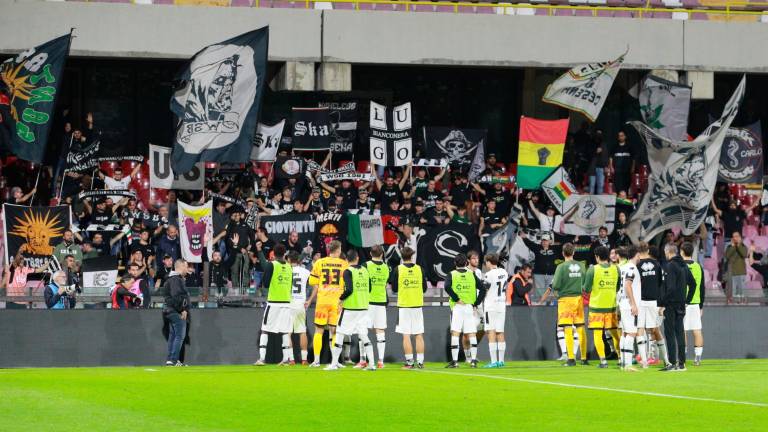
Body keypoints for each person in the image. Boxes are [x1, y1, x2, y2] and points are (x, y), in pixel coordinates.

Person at [326, 250, 376, 371]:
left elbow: (349, 290)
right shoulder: (365, 270)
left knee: (339, 334)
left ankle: (333, 364)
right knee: (364, 336)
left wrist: (340, 299)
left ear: (347, 260)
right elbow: (369, 288)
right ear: (357, 258)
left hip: (350, 309)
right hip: (363, 308)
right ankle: (372, 364)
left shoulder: (348, 271)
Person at [306, 240, 348, 367]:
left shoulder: (320, 262)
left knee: (319, 330)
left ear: (330, 250)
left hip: (322, 301)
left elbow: (312, 282)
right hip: (336, 301)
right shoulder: (344, 264)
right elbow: (348, 284)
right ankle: (335, 361)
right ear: (339, 250)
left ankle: (316, 360)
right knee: (334, 331)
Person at [546, 243, 587, 367]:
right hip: (578, 299)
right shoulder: (581, 266)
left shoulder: (561, 267)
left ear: (563, 253)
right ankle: (584, 358)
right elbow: (585, 283)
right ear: (574, 252)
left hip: (565, 300)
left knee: (567, 328)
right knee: (580, 327)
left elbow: (556, 285)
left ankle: (571, 359)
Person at [254, 243, 294, 366]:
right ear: (284, 254)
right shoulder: (289, 267)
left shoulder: (272, 265)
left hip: (274, 303)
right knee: (285, 331)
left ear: (273, 253)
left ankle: (262, 359)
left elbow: (265, 284)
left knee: (265, 330)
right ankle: (286, 359)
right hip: (287, 303)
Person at [444, 253, 487, 368]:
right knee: (472, 333)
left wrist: (456, 298)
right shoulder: (471, 274)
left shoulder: (452, 274)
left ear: (455, 263)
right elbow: (483, 289)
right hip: (469, 307)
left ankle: (455, 361)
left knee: (456, 333)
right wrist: (476, 303)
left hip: (457, 307)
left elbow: (447, 287)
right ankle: (473, 361)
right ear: (466, 263)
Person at [659, 244, 696, 372]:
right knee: (680, 332)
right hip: (680, 304)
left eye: (665, 251)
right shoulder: (684, 266)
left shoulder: (670, 266)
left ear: (668, 252)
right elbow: (693, 284)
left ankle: (672, 363)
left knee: (669, 334)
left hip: (671, 304)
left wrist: (663, 303)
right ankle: (682, 363)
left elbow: (670, 288)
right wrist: (687, 300)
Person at [389, 246, 427, 369]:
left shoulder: (398, 269)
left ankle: (410, 362)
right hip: (417, 305)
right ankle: (420, 362)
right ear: (412, 256)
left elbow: (394, 289)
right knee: (419, 334)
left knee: (406, 335)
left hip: (404, 306)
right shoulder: (419, 269)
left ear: (401, 256)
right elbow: (425, 288)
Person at [584, 246, 621, 368]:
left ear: (597, 257)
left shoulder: (592, 270)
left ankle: (603, 361)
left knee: (598, 334)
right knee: (615, 333)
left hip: (596, 307)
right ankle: (621, 358)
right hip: (611, 306)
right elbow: (617, 287)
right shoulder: (616, 269)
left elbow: (587, 289)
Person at [636, 242, 670, 368]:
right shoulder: (657, 265)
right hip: (655, 301)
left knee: (640, 329)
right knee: (656, 330)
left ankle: (644, 362)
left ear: (638, 252)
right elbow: (662, 284)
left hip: (641, 301)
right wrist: (663, 303)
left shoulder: (636, 266)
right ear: (648, 250)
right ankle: (666, 360)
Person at [482, 254, 509, 368]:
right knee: (500, 332)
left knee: (491, 332)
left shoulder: (488, 275)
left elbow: (485, 290)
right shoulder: (504, 272)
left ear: (488, 262)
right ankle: (501, 361)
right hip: (501, 305)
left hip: (491, 306)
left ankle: (493, 362)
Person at [617, 246, 642, 371]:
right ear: (636, 254)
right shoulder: (632, 268)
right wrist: (633, 304)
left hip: (622, 303)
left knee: (625, 332)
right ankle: (628, 364)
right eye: (639, 255)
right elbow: (628, 285)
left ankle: (622, 362)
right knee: (632, 333)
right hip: (629, 305)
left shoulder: (622, 267)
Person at [681, 242, 705, 367]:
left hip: (682, 303)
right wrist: (701, 305)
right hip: (695, 303)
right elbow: (702, 287)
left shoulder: (679, 266)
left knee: (682, 330)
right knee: (697, 330)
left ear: (682, 252)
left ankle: (683, 357)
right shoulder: (698, 266)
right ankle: (698, 358)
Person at [162, 259, 190, 366]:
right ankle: (173, 360)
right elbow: (177, 296)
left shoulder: (172, 279)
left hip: (169, 310)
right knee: (179, 336)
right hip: (175, 310)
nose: (187, 269)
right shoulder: (176, 279)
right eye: (186, 266)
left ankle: (171, 360)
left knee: (173, 336)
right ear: (181, 266)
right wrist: (183, 309)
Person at [366, 245, 390, 369]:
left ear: (370, 253)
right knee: (380, 331)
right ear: (382, 254)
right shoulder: (386, 267)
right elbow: (385, 284)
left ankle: (363, 360)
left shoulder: (366, 265)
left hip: (368, 302)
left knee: (364, 331)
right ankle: (381, 361)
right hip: (381, 302)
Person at [287, 251, 311, 366]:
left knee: (287, 333)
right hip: (300, 303)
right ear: (298, 260)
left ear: (289, 260)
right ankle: (304, 359)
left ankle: (291, 359)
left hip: (288, 303)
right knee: (302, 331)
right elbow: (315, 285)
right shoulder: (305, 271)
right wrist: (310, 299)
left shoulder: (286, 270)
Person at [520, 231, 558, 304]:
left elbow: (565, 246)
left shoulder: (555, 248)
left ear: (550, 241)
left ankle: (549, 311)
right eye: (543, 240)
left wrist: (573, 240)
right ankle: (540, 310)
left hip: (551, 275)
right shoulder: (537, 247)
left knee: (550, 295)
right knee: (540, 294)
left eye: (546, 240)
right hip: (539, 275)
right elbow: (529, 244)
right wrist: (524, 238)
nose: (544, 242)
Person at [724, 231, 748, 304]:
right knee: (732, 292)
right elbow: (727, 256)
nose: (735, 238)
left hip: (741, 272)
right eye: (734, 237)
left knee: (742, 292)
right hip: (732, 272)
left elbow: (744, 254)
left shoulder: (743, 246)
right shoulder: (729, 247)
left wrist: (738, 245)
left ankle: (742, 304)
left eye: (737, 236)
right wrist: (733, 246)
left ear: (740, 237)